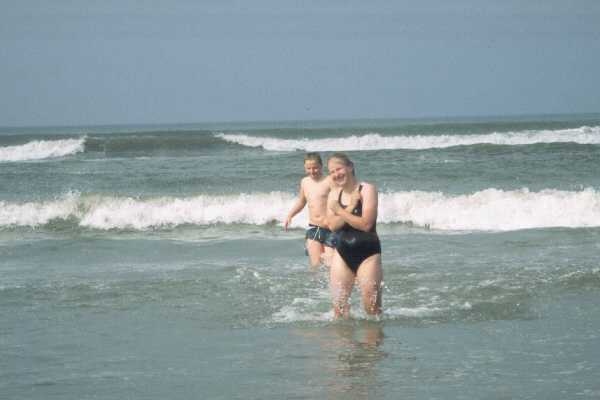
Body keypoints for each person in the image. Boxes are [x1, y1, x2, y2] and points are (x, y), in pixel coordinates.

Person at [326, 153, 383, 318]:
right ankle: (345, 343)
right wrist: (350, 206)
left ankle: (371, 343)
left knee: (372, 310)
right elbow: (333, 226)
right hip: (342, 253)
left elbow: (366, 224)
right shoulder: (333, 195)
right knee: (339, 309)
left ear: (350, 167)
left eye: (339, 169)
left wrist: (339, 211)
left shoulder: (367, 189)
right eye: (332, 172)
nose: (336, 174)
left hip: (368, 254)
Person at [284, 153, 336, 267]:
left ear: (322, 166)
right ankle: (316, 285)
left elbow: (340, 201)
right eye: (309, 168)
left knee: (331, 264)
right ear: (305, 168)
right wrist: (290, 215)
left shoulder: (330, 181)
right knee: (315, 265)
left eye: (315, 168)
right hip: (314, 228)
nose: (312, 171)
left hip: (331, 229)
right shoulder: (304, 182)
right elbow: (302, 202)